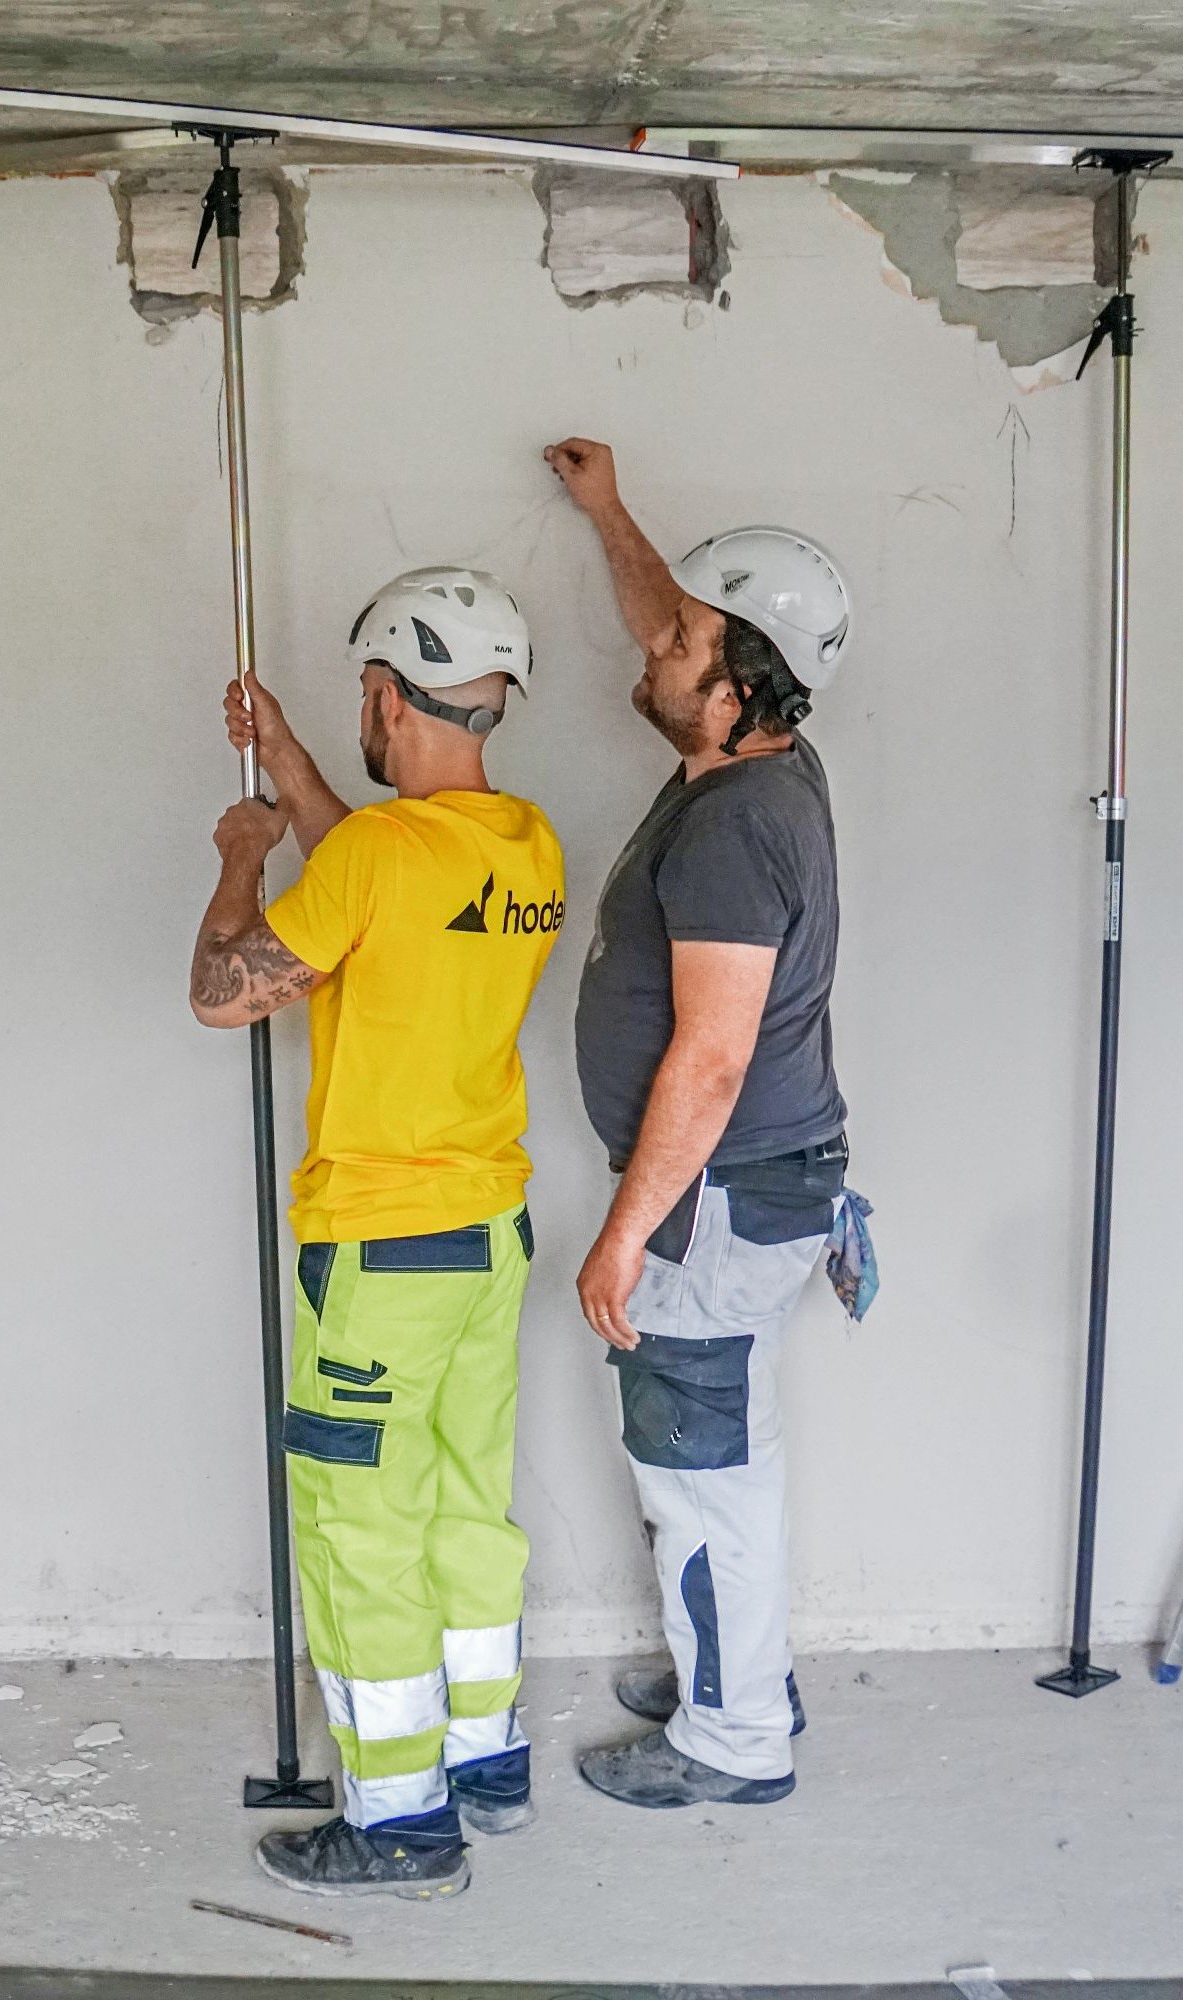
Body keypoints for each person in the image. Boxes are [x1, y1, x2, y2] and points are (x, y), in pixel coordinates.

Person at [189, 567, 565, 1899]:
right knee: (470, 1502)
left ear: (387, 695)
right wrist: (291, 753)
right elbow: (381, 876)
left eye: (362, 693)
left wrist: (243, 857)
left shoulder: (371, 861)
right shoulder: (522, 844)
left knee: (359, 1525)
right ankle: (487, 1761)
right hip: (488, 1236)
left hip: (382, 1251)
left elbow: (226, 997)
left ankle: (401, 1821)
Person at [544, 435, 863, 1810]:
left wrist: (625, 1240)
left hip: (715, 1199)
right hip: (752, 1190)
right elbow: (670, 616)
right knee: (729, 1461)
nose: (654, 644)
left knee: (700, 1481)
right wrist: (610, 513)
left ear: (734, 689)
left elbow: (712, 1058)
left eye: (683, 640)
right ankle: (739, 1674)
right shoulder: (755, 765)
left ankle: (733, 1745)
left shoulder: (735, 824)